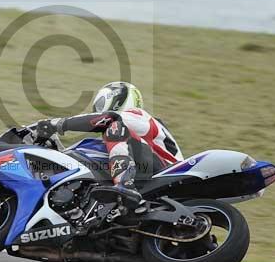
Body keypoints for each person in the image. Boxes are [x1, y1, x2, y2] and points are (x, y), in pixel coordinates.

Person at [36, 82, 183, 211]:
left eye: (100, 107)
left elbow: (110, 118)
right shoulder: (129, 132)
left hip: (167, 172)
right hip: (153, 175)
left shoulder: (137, 115)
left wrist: (58, 124)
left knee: (114, 126)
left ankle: (124, 185)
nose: (99, 112)